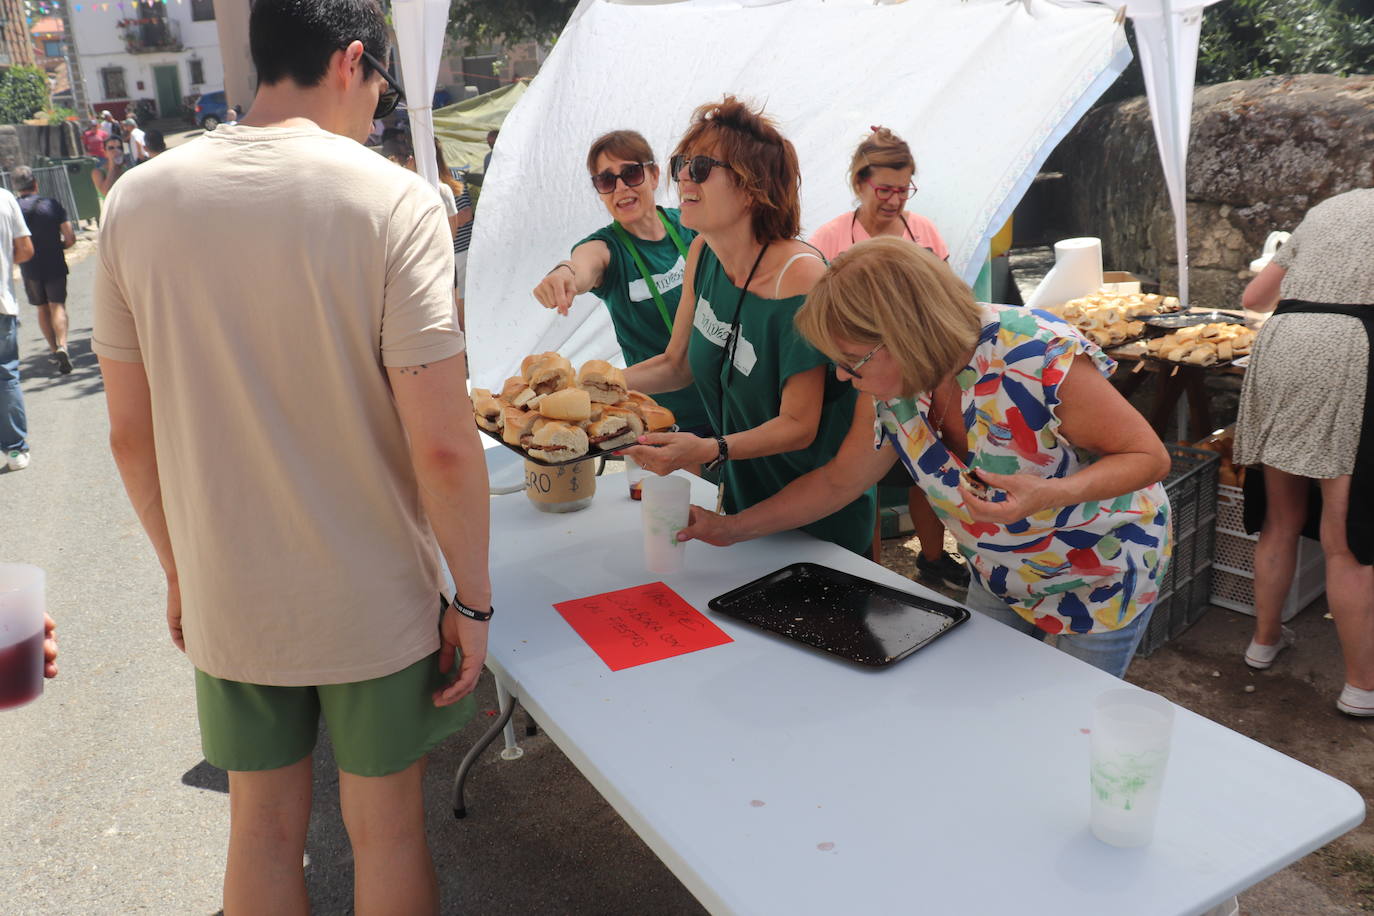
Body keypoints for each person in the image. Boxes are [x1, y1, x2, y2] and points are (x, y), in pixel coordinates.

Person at [93, 1, 491, 913]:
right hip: (375, 593)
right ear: (353, 62)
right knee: (385, 829)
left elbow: (127, 432)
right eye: (383, 91)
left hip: (230, 585)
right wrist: (472, 597)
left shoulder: (135, 200)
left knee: (262, 827)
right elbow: (440, 441)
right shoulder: (394, 199)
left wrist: (178, 568)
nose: (378, 113)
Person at [680, 238, 1174, 677]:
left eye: (851, 362)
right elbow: (839, 481)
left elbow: (1147, 456)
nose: (842, 377)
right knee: (983, 698)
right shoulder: (890, 386)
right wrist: (731, 529)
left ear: (905, 334)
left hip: (1102, 571)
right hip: (1001, 569)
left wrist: (1052, 493)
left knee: (1068, 718)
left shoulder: (1034, 355)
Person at [620, 96, 875, 555]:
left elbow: (799, 425)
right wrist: (592, 386)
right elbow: (676, 364)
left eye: (699, 168)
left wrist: (706, 449)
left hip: (815, 519)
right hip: (742, 506)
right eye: (680, 164)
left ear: (752, 187)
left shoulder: (800, 277)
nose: (681, 178)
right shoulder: (702, 252)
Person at [1232, 188, 1374, 716]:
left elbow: (1254, 300)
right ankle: (1361, 687)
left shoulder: (1329, 207)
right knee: (1345, 539)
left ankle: (1263, 642)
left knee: (1281, 516)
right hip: (1352, 348)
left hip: (1284, 340)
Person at [809, 126, 964, 583]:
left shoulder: (924, 232)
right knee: (864, 477)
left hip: (923, 376)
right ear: (859, 184)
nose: (895, 200)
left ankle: (933, 559)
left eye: (904, 189)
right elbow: (820, 318)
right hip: (861, 378)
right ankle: (869, 567)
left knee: (930, 468)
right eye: (884, 190)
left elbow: (950, 299)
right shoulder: (830, 239)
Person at [532, 129, 710, 436]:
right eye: (606, 180)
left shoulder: (690, 226)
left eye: (631, 173)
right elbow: (583, 265)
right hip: (666, 421)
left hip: (726, 405)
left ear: (654, 175)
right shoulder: (607, 248)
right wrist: (563, 273)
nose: (620, 187)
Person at [13, 166, 77, 374]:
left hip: (29, 265)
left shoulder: (13, 208)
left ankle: (52, 349)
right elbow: (70, 237)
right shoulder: (51, 204)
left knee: (42, 308)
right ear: (35, 183)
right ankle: (63, 346)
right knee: (57, 305)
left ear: (16, 187)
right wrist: (60, 247)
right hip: (54, 261)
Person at [0, 186, 34, 471]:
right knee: (6, 375)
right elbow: (25, 249)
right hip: (1, 304)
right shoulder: (4, 198)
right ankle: (15, 451)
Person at [435, 139, 474, 329]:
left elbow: (466, 213)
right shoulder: (441, 180)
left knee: (460, 300)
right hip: (453, 251)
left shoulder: (452, 178)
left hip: (460, 249)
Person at [92, 135, 128, 200]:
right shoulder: (98, 172)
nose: (116, 150)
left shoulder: (126, 168)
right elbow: (106, 193)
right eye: (111, 148)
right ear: (105, 152)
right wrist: (112, 166)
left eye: (119, 147)